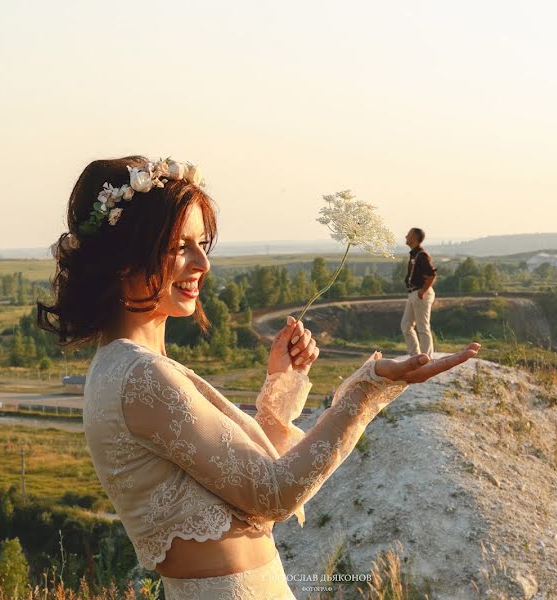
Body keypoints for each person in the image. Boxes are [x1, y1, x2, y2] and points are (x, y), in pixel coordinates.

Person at [37, 156, 480, 599]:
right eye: (178, 247)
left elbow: (255, 491)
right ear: (123, 260)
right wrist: (366, 389)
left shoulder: (130, 369)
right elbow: (275, 494)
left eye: (202, 244)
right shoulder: (141, 376)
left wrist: (281, 384)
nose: (202, 264)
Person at [401, 227, 438, 357]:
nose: (406, 236)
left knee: (423, 326)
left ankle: (427, 357)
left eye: (408, 234)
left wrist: (422, 291)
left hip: (420, 293)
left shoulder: (422, 255)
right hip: (413, 293)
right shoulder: (415, 254)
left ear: (415, 238)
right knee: (406, 325)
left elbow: (431, 274)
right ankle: (416, 356)